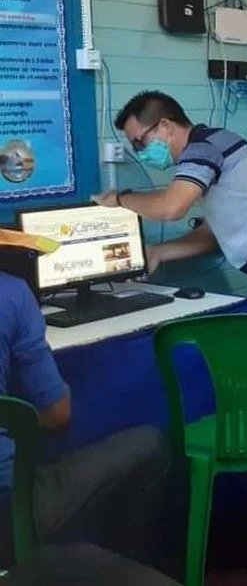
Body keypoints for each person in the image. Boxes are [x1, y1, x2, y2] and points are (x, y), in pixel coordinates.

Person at [95, 90, 247, 411]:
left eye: (140, 142)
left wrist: (120, 199)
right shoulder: (213, 146)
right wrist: (159, 253)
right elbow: (212, 236)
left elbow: (171, 208)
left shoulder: (203, 149)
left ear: (165, 126)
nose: (141, 153)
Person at [0, 234, 172, 567]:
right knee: (149, 445)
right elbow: (58, 415)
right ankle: (120, 570)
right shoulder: (12, 294)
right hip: (7, 513)